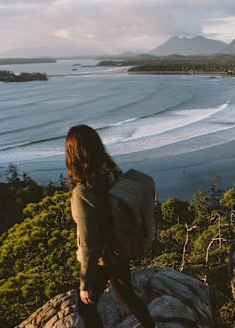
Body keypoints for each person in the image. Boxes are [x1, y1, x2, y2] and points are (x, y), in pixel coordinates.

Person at [65, 124, 156, 328]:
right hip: (120, 248)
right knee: (127, 295)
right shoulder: (112, 171)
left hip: (103, 258)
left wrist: (85, 284)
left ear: (73, 154)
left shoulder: (82, 193)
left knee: (85, 307)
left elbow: (90, 244)